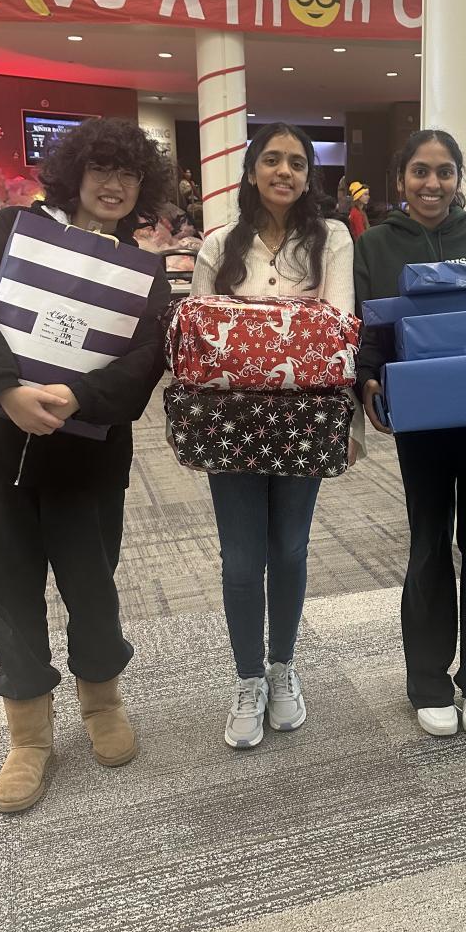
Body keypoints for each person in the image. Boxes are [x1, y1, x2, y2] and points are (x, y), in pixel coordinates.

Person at [0, 118, 172, 812]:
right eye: (101, 169)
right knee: (9, 590)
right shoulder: (11, 230)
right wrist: (4, 388)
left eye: (128, 174)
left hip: (85, 453)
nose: (114, 185)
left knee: (93, 587)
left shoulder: (144, 273)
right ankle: (29, 736)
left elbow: (146, 359)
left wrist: (82, 396)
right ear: (74, 173)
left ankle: (103, 703)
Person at [354, 128, 466, 740]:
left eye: (444, 171)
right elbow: (366, 326)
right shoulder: (375, 244)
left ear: (459, 179)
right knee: (428, 543)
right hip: (423, 416)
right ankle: (428, 680)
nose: (431, 183)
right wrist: (368, 378)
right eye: (420, 171)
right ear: (400, 178)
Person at [191, 123, 360, 749]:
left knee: (289, 549)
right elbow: (199, 346)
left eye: (296, 162)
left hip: (304, 421)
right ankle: (247, 678)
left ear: (309, 175)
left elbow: (338, 329)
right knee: (241, 558)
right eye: (271, 160)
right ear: (251, 171)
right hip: (229, 422)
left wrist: (247, 335)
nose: (283, 171)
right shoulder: (219, 245)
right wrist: (291, 333)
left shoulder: (332, 238)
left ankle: (283, 667)